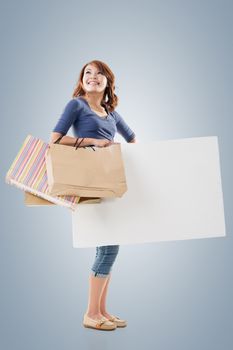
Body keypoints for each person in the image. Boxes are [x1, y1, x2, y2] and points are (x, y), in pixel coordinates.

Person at [50, 60, 136, 331]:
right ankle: (90, 313)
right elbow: (54, 138)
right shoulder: (76, 104)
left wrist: (121, 151)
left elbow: (133, 139)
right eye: (88, 72)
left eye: (100, 73)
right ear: (82, 80)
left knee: (110, 245)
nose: (94, 77)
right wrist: (92, 142)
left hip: (108, 184)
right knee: (108, 247)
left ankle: (102, 310)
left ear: (108, 82)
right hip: (87, 184)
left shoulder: (111, 112)